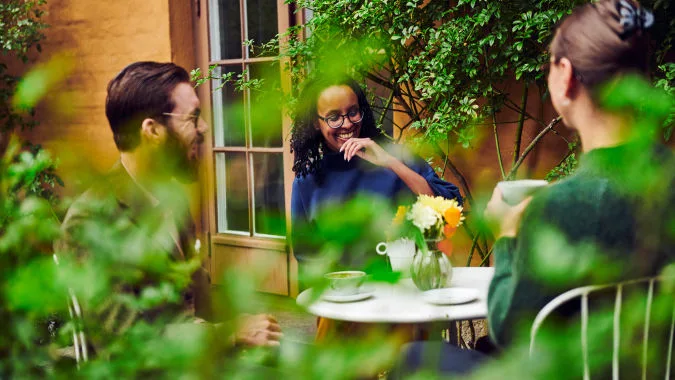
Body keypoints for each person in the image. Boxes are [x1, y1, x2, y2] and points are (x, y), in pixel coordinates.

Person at [398, 0, 675, 376]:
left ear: (566, 75)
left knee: (414, 358)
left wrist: (509, 236)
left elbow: (512, 333)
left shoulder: (558, 208)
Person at [56, 61, 281, 352]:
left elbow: (196, 298)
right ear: (152, 131)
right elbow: (125, 342)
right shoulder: (89, 223)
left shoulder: (172, 198)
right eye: (193, 117)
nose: (204, 128)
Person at [290, 75, 462, 341]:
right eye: (334, 117)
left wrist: (391, 163)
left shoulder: (394, 158)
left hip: (407, 300)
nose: (346, 124)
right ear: (316, 122)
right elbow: (306, 257)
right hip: (345, 308)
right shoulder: (308, 181)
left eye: (353, 113)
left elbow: (446, 209)